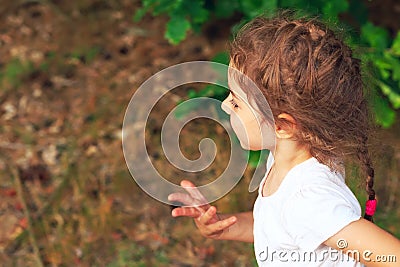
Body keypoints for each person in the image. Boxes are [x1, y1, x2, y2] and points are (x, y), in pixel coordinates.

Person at [168, 12, 400, 266]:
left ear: (283, 126)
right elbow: (277, 225)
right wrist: (225, 226)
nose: (225, 106)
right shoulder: (286, 161)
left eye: (236, 101)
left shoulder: (310, 200)